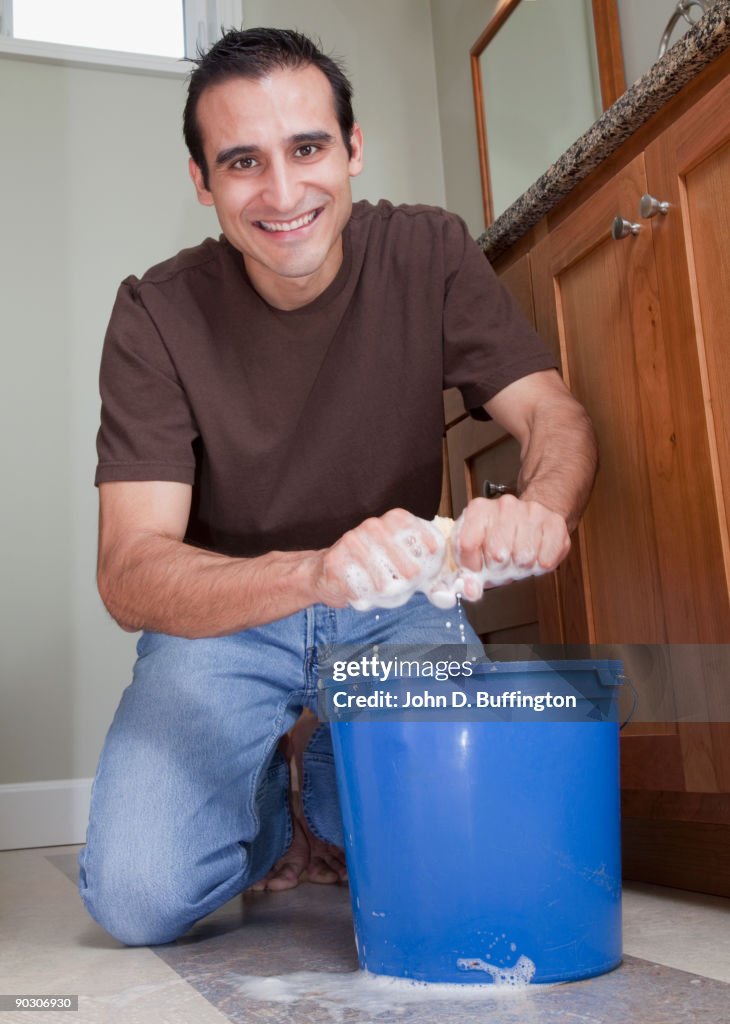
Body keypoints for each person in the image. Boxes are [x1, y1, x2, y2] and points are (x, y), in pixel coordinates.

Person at [78, 27, 597, 947]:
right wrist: (315, 572)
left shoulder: (429, 252)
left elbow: (554, 415)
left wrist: (542, 506)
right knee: (139, 898)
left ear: (353, 149)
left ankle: (322, 763)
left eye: (308, 148)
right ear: (202, 181)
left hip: (401, 605)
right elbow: (130, 569)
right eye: (242, 162)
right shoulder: (155, 313)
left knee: (454, 853)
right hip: (231, 615)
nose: (282, 194)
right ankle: (269, 810)